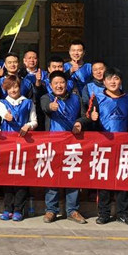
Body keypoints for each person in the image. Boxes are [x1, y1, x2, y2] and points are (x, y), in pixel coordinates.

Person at [87, 67, 128, 226]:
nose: (113, 82)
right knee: (104, 181)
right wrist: (92, 118)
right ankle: (104, 213)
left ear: (121, 81)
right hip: (104, 146)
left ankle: (123, 214)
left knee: (124, 180)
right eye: (109, 79)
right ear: (104, 82)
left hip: (124, 147)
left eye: (116, 78)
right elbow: (90, 121)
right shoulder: (97, 98)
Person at [40, 71, 87, 224]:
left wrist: (79, 123)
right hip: (53, 143)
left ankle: (72, 210)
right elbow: (44, 107)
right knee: (52, 176)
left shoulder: (76, 98)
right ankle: (51, 210)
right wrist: (51, 107)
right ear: (50, 85)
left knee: (72, 175)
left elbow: (84, 116)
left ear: (66, 84)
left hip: (73, 144)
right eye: (56, 83)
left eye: (62, 82)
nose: (59, 86)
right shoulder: (47, 97)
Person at [0, 75, 38, 222]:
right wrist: (6, 116)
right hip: (7, 145)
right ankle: (7, 208)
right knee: (7, 177)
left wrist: (28, 125)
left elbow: (34, 121)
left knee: (22, 177)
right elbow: (3, 114)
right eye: (10, 87)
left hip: (24, 144)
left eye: (15, 87)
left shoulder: (28, 103)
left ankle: (18, 209)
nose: (13, 90)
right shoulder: (2, 103)